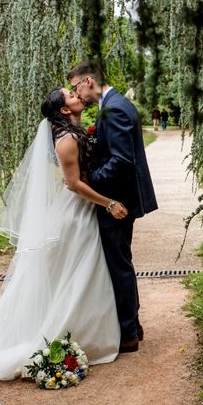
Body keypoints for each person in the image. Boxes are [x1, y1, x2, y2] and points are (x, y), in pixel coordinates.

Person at [0, 87, 124, 405]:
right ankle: (71, 333)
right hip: (75, 214)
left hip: (78, 210)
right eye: (70, 95)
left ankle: (81, 331)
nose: (76, 94)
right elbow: (73, 184)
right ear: (63, 110)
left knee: (78, 273)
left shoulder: (73, 132)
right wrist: (109, 202)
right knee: (80, 271)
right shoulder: (67, 140)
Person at [68, 60, 157, 354]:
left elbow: (120, 161)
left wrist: (88, 181)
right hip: (119, 198)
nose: (76, 94)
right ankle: (133, 323)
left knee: (118, 266)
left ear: (88, 81)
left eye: (75, 86)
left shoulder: (114, 109)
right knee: (122, 262)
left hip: (116, 201)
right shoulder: (116, 104)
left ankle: (128, 334)